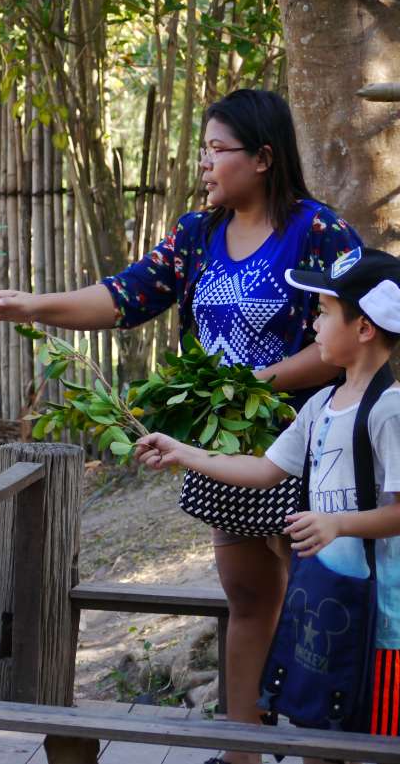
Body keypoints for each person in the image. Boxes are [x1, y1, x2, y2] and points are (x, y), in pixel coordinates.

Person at [0, 89, 363, 764]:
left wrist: (252, 383)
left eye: (219, 149)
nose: (206, 163)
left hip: (305, 451)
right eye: (205, 149)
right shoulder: (197, 234)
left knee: (317, 607)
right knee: (248, 600)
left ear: (264, 158)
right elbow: (125, 296)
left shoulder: (318, 232)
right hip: (218, 453)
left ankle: (322, 750)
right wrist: (27, 305)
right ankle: (240, 751)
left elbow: (351, 334)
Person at [136, 246, 400, 760]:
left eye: (323, 314)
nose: (315, 327)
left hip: (383, 621)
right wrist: (184, 453)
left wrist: (338, 525)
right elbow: (263, 470)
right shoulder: (323, 405)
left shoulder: (390, 412)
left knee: (381, 744)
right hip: (327, 604)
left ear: (365, 328)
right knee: (318, 729)